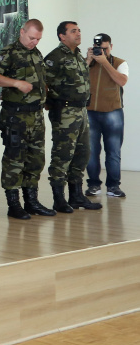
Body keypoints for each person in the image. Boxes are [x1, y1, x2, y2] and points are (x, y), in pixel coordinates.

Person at [0, 19, 55, 219]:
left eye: (38, 39)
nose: (35, 42)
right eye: (32, 37)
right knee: (14, 159)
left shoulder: (37, 54)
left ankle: (31, 201)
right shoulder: (8, 52)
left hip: (36, 114)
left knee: (35, 159)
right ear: (22, 32)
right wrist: (16, 83)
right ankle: (14, 204)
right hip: (16, 115)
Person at [44, 22, 103, 212]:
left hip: (81, 111)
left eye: (79, 30)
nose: (78, 34)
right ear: (62, 36)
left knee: (83, 153)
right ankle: (59, 199)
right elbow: (43, 83)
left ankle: (76, 196)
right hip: (65, 113)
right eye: (73, 31)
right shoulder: (55, 57)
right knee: (63, 155)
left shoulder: (77, 55)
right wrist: (51, 104)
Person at [85, 33, 128, 198]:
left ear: (111, 46)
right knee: (91, 151)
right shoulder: (88, 63)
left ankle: (113, 186)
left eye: (105, 48)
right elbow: (76, 79)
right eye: (99, 49)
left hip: (113, 112)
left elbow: (122, 81)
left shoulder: (119, 63)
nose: (102, 52)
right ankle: (94, 185)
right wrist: (88, 61)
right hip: (90, 112)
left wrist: (105, 63)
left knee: (113, 151)